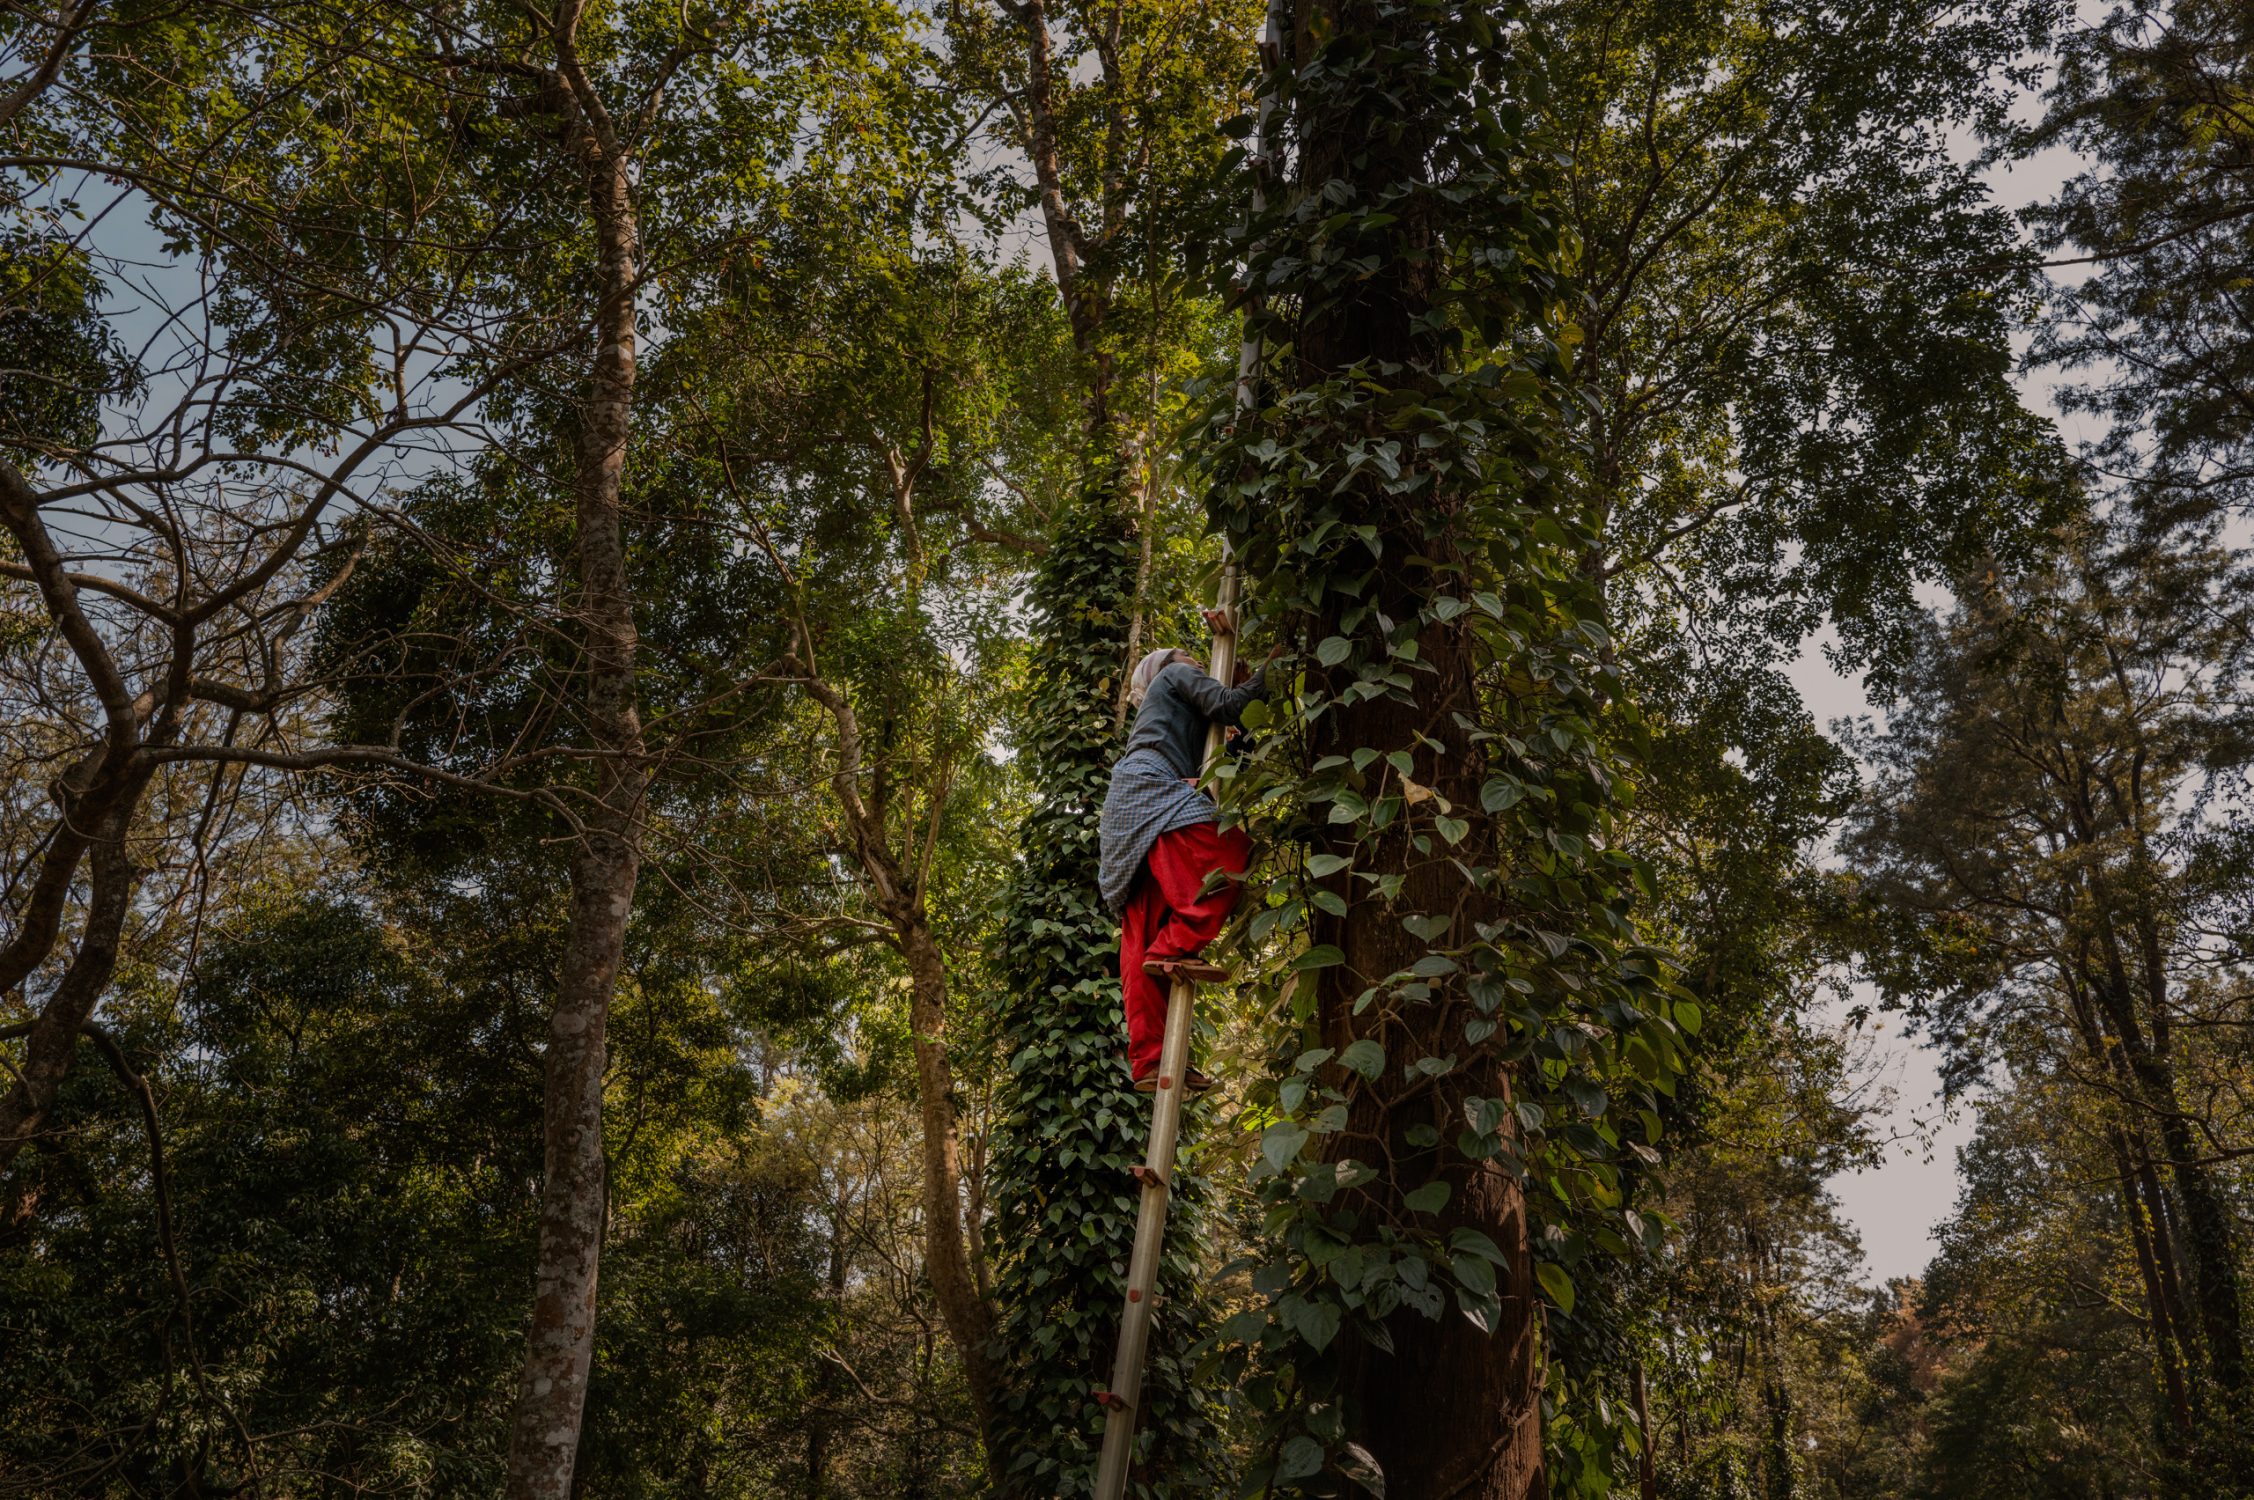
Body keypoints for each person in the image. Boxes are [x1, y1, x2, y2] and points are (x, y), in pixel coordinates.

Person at [1098, 612, 1265, 1093]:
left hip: (1131, 805)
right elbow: (1232, 704)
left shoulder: (1175, 714)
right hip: (1152, 790)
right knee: (1230, 852)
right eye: (1188, 661)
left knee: (1141, 927)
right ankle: (1174, 950)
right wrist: (1266, 673)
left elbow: (1234, 753)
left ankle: (1150, 1060)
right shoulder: (1173, 676)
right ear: (1167, 668)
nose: (1195, 664)